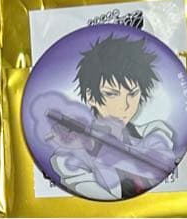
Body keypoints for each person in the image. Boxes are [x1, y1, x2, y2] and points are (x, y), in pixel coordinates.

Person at [49, 34, 176, 199]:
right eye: (112, 94)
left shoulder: (155, 132)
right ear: (91, 96)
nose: (125, 105)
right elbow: (92, 197)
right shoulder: (69, 156)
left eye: (133, 94)